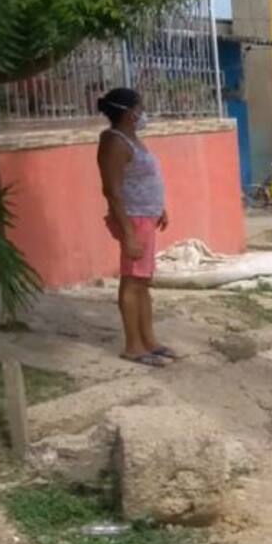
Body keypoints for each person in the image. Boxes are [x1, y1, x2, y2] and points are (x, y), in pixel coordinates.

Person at [96, 88, 178, 367]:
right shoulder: (114, 142)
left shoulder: (132, 139)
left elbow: (143, 178)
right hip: (133, 219)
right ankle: (133, 345)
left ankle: (149, 340)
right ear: (131, 112)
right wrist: (129, 233)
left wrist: (159, 207)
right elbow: (112, 190)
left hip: (146, 215)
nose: (144, 113)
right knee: (132, 281)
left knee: (143, 281)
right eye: (141, 108)